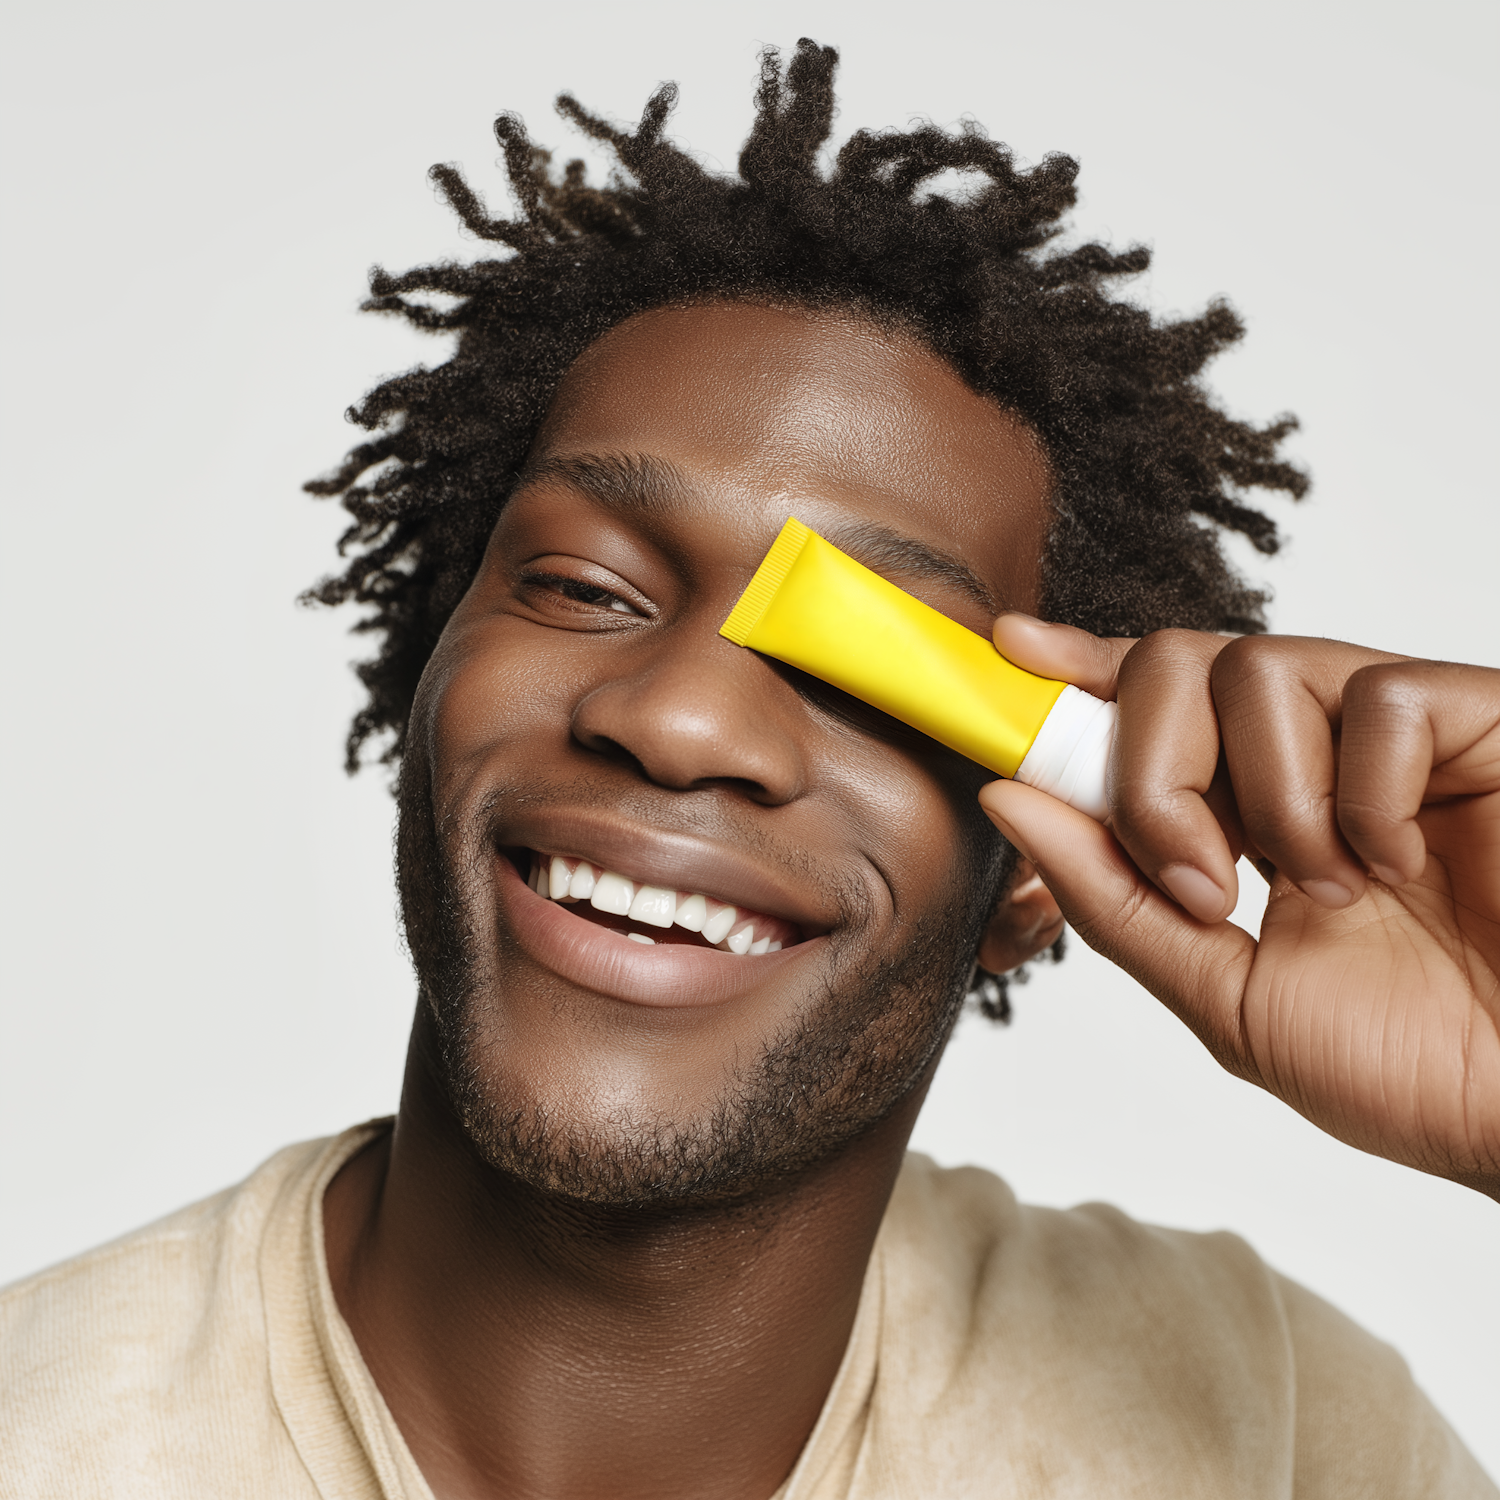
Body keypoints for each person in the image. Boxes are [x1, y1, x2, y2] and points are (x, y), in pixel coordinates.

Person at [2, 38, 1496, 1500]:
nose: (682, 722)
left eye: (865, 672)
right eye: (582, 588)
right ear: (432, 675)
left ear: (1042, 871)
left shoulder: (1281, 1432)